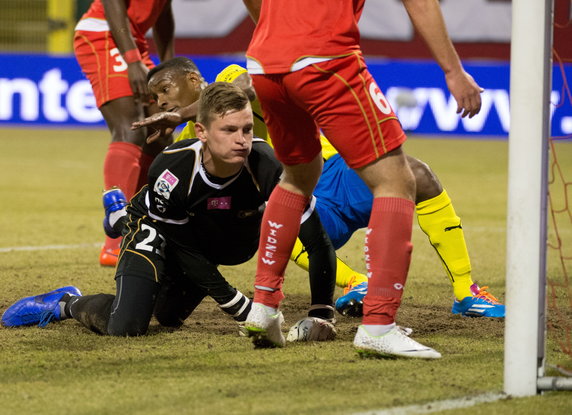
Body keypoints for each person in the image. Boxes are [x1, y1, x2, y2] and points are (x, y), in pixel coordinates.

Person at [132, 60, 504, 320]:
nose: (162, 102)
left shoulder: (229, 80)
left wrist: (181, 113)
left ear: (194, 80)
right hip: (294, 192)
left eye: (165, 89)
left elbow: (243, 88)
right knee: (271, 220)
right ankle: (356, 283)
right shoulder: (188, 143)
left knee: (419, 175)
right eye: (157, 99)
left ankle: (465, 292)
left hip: (334, 172)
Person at [1, 83, 337, 343]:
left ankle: (116, 218)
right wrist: (241, 308)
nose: (242, 141)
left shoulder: (267, 167)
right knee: (127, 325)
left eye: (247, 129)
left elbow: (316, 240)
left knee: (168, 317)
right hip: (155, 228)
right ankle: (66, 302)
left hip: (199, 237)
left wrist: (322, 313)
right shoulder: (174, 169)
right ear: (202, 132)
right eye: (229, 131)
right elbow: (182, 247)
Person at [240, 0, 483, 358]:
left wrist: (280, 32)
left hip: (265, 61)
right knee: (397, 181)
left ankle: (263, 308)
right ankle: (379, 325)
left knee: (296, 177)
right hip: (324, 57)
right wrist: (453, 71)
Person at [74, 0, 175, 267]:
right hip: (105, 34)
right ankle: (115, 242)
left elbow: (163, 14)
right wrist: (131, 60)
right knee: (129, 126)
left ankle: (142, 226)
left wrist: (169, 68)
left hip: (132, 40)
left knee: (160, 131)